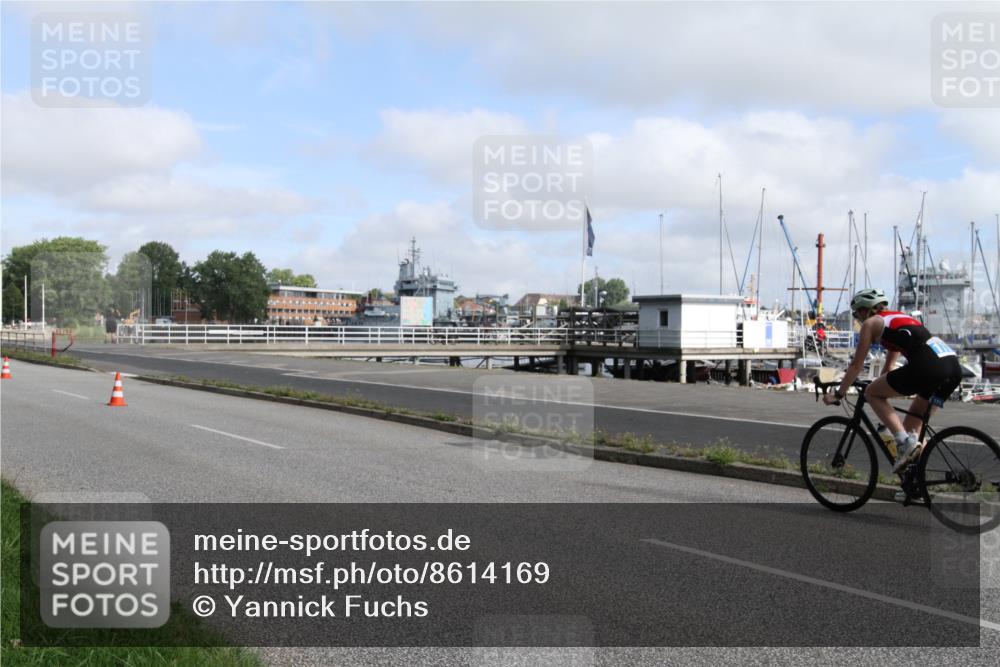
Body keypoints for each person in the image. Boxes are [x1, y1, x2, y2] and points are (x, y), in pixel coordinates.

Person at [823, 288, 962, 473]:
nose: (858, 319)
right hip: (952, 369)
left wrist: (839, 394)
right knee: (913, 428)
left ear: (866, 310)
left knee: (872, 393)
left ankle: (903, 443)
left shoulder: (871, 323)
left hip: (929, 367)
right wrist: (884, 376)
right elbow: (891, 360)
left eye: (857, 314)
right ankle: (920, 484)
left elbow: (856, 365)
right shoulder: (898, 318)